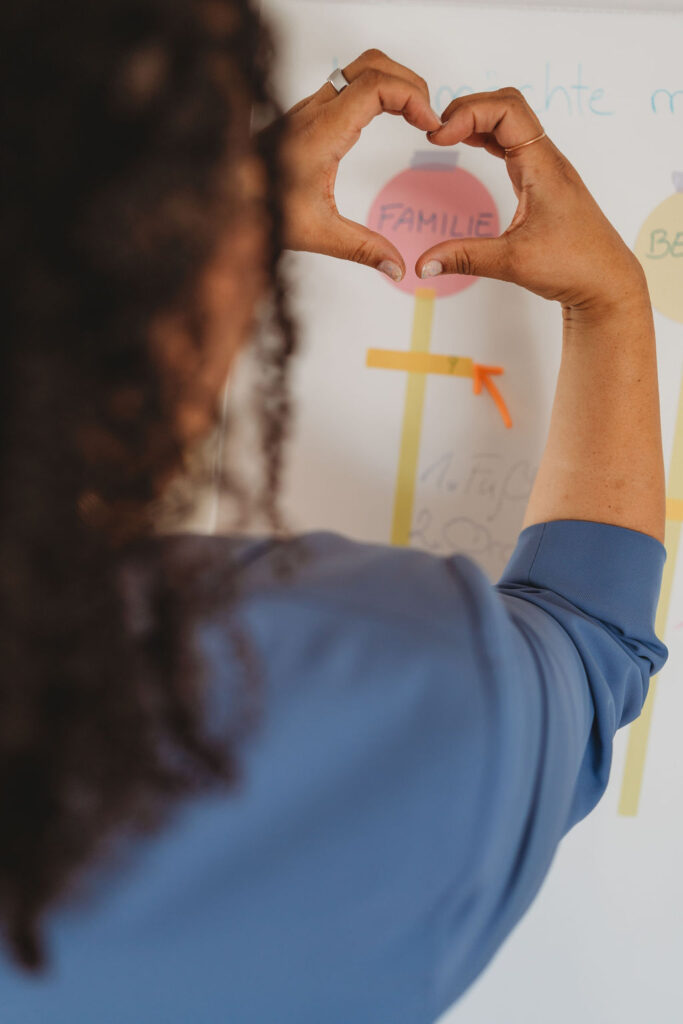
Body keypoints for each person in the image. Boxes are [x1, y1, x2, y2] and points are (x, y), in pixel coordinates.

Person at [0, 2, 667, 1022]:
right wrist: (611, 301)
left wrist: (202, 225)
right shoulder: (343, 683)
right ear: (188, 285)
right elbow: (586, 638)